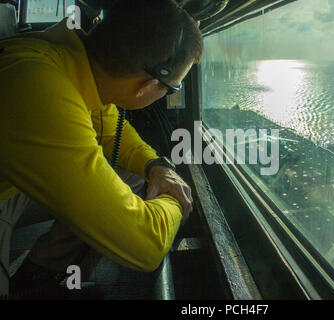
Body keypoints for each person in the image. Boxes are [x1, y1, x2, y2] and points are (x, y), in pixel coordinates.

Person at [0, 0, 202, 299]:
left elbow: (112, 130)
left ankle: (36, 275)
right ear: (146, 86)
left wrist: (156, 166)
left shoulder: (67, 60)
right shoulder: (39, 90)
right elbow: (145, 245)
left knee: (131, 176)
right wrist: (175, 199)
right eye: (171, 88)